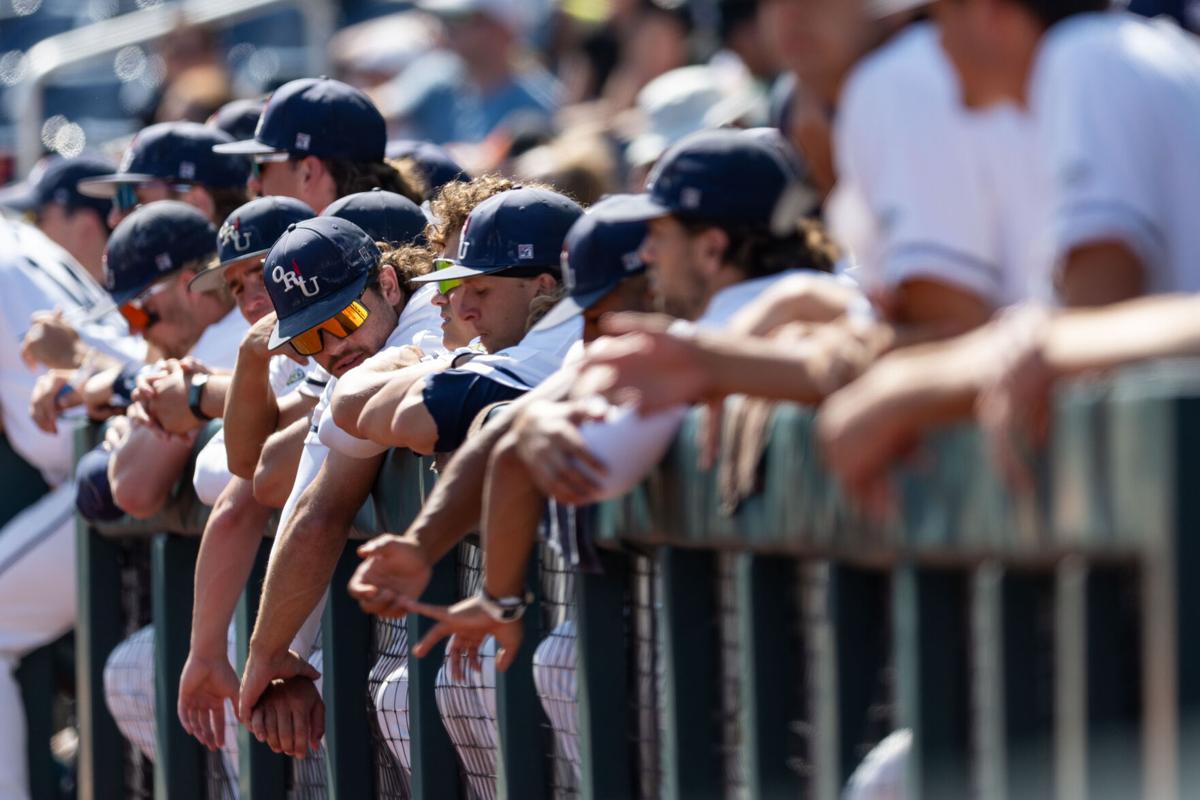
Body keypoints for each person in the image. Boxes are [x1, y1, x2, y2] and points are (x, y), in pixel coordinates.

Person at [97, 196, 321, 784]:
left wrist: (198, 398)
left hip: (389, 619)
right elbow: (219, 483)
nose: (251, 296)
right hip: (295, 626)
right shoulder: (261, 351)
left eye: (265, 273)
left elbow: (159, 484)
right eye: (238, 280)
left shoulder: (346, 343)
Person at [234, 215, 444, 762]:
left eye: (347, 316)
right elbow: (305, 499)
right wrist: (279, 652)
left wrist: (269, 655)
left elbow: (318, 511)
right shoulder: (354, 367)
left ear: (390, 285)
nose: (333, 347)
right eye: (309, 337)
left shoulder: (432, 323)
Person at [0, 181, 145, 800]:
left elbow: (55, 437)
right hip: (112, 448)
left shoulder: (7, 263)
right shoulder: (17, 240)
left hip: (110, 456)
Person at [212, 77, 423, 211]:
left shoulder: (340, 264)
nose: (252, 183)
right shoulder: (401, 229)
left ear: (309, 173)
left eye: (260, 166)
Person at [78, 120, 251, 231]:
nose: (113, 219)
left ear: (197, 205)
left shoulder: (262, 287)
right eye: (118, 199)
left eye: (130, 200)